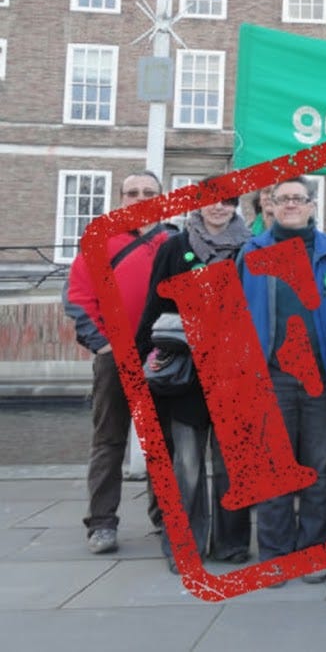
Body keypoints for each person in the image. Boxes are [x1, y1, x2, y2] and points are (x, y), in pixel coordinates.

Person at [238, 176, 326, 586]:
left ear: (311, 205)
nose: (290, 205)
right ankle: (275, 554)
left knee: (319, 470)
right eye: (282, 198)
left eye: (297, 199)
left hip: (322, 379)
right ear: (270, 205)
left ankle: (315, 552)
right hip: (272, 377)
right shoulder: (251, 252)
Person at [135, 188, 253, 573]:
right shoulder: (175, 248)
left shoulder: (249, 251)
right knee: (186, 466)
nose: (219, 206)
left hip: (234, 374)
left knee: (231, 464)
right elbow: (155, 305)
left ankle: (231, 543)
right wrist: (139, 363)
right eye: (212, 199)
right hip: (185, 375)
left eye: (229, 201)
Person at [63, 170, 171, 554]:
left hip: (162, 356)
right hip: (116, 355)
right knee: (109, 440)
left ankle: (166, 519)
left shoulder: (173, 240)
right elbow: (78, 297)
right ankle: (102, 523)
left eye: (148, 192)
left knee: (162, 441)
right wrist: (104, 345)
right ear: (121, 198)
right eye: (132, 192)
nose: (140, 197)